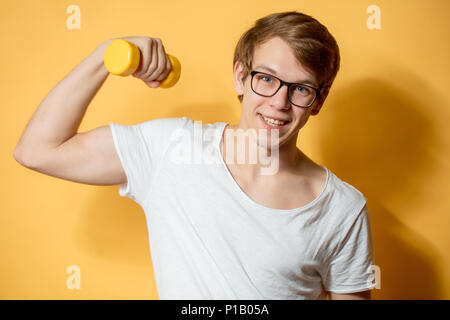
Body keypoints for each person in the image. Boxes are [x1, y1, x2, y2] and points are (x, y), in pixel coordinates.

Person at [13, 11, 376, 300]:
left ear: (319, 101)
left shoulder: (343, 209)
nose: (278, 103)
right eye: (266, 78)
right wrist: (107, 55)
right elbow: (38, 151)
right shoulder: (170, 149)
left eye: (300, 88)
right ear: (239, 76)